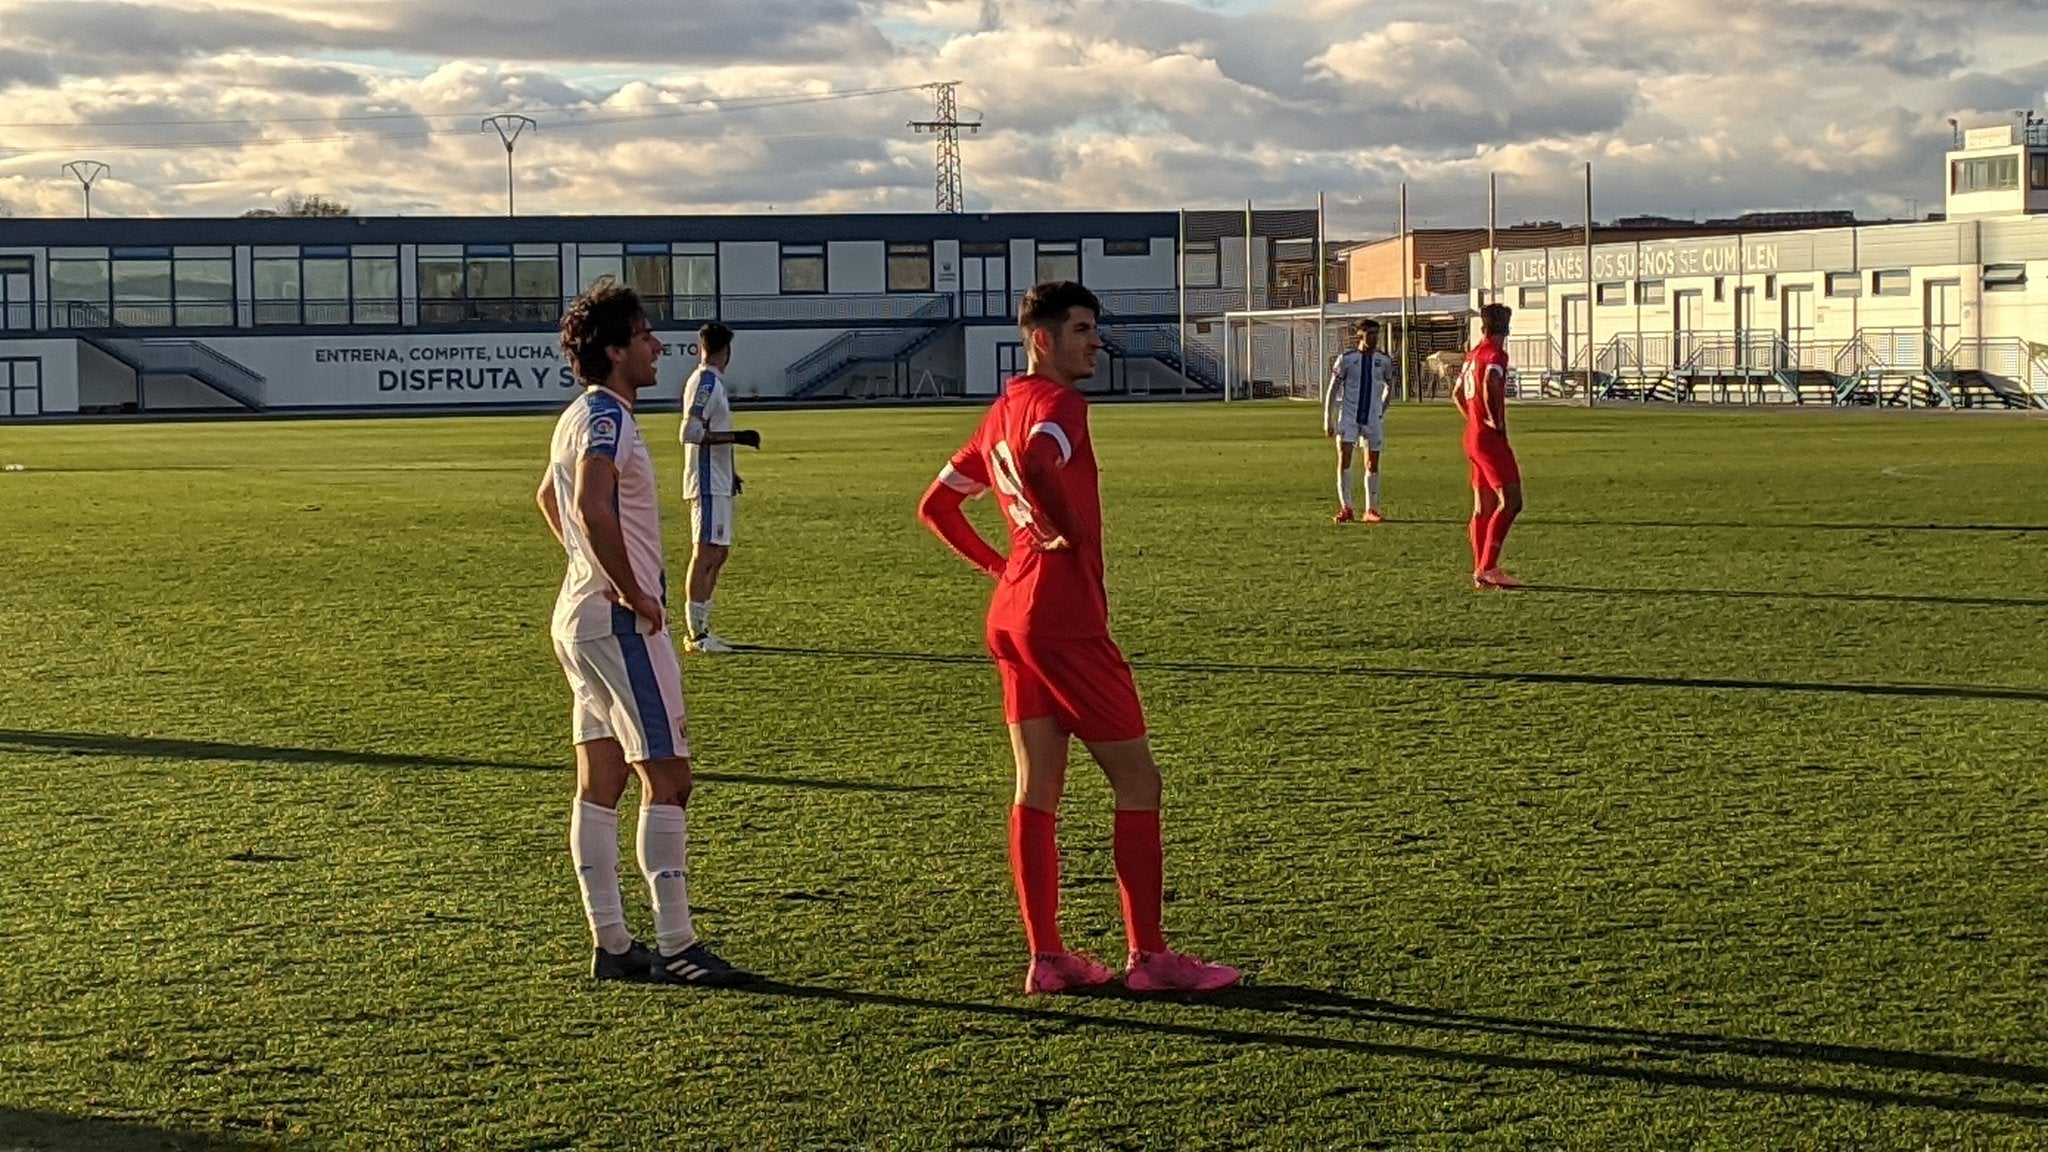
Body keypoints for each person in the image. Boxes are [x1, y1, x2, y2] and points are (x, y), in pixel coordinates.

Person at [917, 280, 1242, 997]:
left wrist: (1001, 564)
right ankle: (1151, 957)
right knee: (1138, 781)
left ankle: (1048, 955)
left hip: (1012, 615)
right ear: (1043, 338)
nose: (1096, 340)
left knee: (1037, 786)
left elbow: (936, 505)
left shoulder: (999, 410)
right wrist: (1063, 530)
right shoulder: (1060, 405)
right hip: (1064, 617)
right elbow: (1038, 462)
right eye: (1082, 329)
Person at [537, 281, 755, 986]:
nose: (658, 345)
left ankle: (612, 942)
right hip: (617, 619)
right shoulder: (608, 419)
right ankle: (677, 945)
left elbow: (548, 497)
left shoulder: (578, 415)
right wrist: (633, 590)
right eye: (645, 336)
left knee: (600, 781)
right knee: (669, 778)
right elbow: (586, 503)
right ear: (615, 350)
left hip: (579, 616)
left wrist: (584, 566)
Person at [677, 322, 761, 653]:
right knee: (705, 553)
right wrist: (738, 438)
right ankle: (696, 634)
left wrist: (733, 470)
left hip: (720, 479)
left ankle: (704, 626)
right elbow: (690, 432)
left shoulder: (713, 383)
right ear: (727, 351)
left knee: (719, 553)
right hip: (707, 481)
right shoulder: (705, 383)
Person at [1456, 302, 1523, 588]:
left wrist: (1474, 419)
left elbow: (1457, 393)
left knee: (1483, 507)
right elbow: (1491, 382)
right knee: (1512, 502)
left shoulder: (1473, 355)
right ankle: (1488, 567)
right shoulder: (1496, 354)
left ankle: (1480, 569)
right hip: (1488, 438)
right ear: (1506, 327)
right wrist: (1497, 423)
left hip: (1472, 436)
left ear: (1484, 326)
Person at [1321, 318, 1395, 523]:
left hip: (1372, 418)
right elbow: (1332, 389)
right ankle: (1346, 507)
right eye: (1369, 334)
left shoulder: (1383, 361)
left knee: (1372, 463)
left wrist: (1381, 409)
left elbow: (1390, 386)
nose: (1373, 338)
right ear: (1359, 336)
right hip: (1349, 416)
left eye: (1376, 334)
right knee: (1344, 459)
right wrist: (1328, 419)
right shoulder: (1346, 359)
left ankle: (1371, 509)